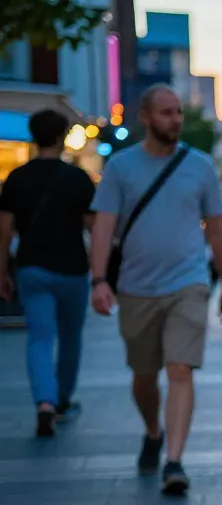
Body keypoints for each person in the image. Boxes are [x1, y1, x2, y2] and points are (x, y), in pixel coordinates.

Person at [88, 83, 222, 495]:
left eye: (179, 112)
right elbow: (103, 224)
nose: (176, 120)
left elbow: (219, 230)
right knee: (144, 377)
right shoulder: (121, 167)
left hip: (189, 282)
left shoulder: (201, 166)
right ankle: (152, 431)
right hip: (135, 287)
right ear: (146, 117)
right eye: (167, 113)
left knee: (180, 369)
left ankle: (174, 460)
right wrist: (99, 279)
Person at [0, 109, 97, 437]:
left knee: (40, 338)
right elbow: (92, 227)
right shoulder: (78, 179)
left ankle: (44, 401)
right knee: (70, 338)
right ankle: (62, 401)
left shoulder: (17, 178)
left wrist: (2, 271)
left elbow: (4, 231)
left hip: (32, 267)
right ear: (62, 136)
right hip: (72, 269)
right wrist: (101, 273)